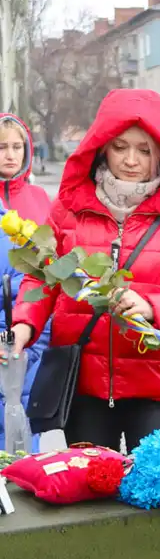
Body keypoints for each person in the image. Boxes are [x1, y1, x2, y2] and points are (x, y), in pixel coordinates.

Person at [7, 89, 160, 559]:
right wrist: (27, 319)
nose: (130, 159)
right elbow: (41, 276)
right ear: (100, 150)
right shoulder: (69, 208)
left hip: (156, 383)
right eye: (120, 146)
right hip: (87, 385)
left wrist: (152, 306)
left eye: (143, 150)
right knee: (94, 501)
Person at [0, 113, 52, 453]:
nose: (10, 154)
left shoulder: (40, 198)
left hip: (35, 325)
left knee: (26, 411)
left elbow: (54, 262)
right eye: (2, 147)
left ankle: (22, 477)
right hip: (2, 318)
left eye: (17, 146)